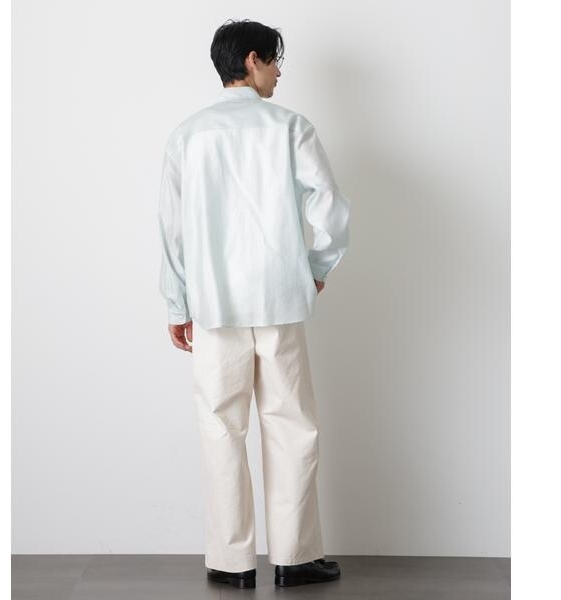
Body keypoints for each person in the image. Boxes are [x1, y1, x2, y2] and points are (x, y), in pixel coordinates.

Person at [157, 18, 350, 589]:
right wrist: (316, 268)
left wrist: (176, 304)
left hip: (213, 305)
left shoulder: (188, 135)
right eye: (274, 60)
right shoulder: (289, 128)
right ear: (252, 60)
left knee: (220, 427)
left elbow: (172, 230)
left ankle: (230, 561)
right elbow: (330, 208)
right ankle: (294, 557)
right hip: (278, 300)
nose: (279, 73)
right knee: (290, 424)